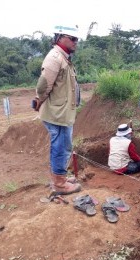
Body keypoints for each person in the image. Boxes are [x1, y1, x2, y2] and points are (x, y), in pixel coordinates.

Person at [34, 24, 82, 195]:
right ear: (61, 37)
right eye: (73, 38)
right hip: (57, 113)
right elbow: (43, 86)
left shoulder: (64, 57)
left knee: (64, 146)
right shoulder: (54, 58)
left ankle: (60, 177)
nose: (76, 42)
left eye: (77, 39)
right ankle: (59, 183)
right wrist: (39, 100)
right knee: (60, 147)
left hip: (62, 112)